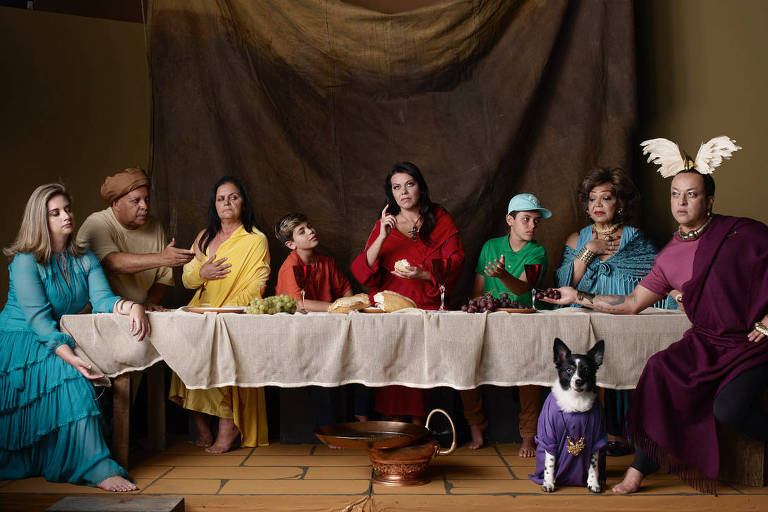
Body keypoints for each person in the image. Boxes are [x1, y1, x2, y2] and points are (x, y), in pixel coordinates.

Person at [543, 136, 768, 494]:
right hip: (707, 343)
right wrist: (578, 295)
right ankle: (639, 469)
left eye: (691, 194)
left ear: (709, 200)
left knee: (730, 410)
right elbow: (632, 302)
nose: (681, 201)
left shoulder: (744, 233)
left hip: (751, 343)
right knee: (659, 370)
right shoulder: (668, 257)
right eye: (675, 193)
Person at [0, 183, 150, 492]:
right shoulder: (26, 261)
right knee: (71, 375)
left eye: (67, 209)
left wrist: (132, 305)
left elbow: (103, 300)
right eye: (55, 213)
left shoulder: (84, 257)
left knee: (74, 369)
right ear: (40, 220)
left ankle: (79, 459)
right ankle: (96, 469)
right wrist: (72, 359)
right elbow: (40, 324)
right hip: (21, 340)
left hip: (55, 334)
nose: (66, 216)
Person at [553, 167, 676, 456]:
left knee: (622, 369)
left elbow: (658, 280)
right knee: (585, 372)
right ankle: (581, 434)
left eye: (605, 198)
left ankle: (618, 433)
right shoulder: (576, 239)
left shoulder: (636, 240)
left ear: (620, 203)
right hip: (584, 319)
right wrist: (589, 250)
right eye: (592, 199)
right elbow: (562, 285)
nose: (597, 205)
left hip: (623, 317)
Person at [351, 162, 465, 424]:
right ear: (391, 193)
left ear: (420, 187)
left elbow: (457, 261)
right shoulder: (385, 223)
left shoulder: (440, 218)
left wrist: (424, 274)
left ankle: (419, 428)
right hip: (391, 308)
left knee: (421, 363)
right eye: (396, 187)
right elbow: (364, 271)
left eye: (409, 184)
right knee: (394, 362)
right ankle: (396, 428)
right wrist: (381, 236)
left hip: (428, 305)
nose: (403, 192)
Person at [168, 176, 270, 453]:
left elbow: (256, 285)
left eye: (233, 197)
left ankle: (229, 424)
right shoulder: (204, 236)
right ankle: (201, 424)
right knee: (185, 356)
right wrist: (202, 273)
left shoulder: (254, 239)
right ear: (214, 205)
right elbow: (188, 279)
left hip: (231, 314)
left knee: (221, 359)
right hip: (200, 310)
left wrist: (224, 311)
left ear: (243, 202)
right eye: (221, 198)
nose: (227, 203)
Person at [461, 193, 551, 455]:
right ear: (510, 220)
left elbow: (524, 287)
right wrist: (480, 306)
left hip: (523, 320)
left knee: (530, 371)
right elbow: (478, 291)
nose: (532, 226)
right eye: (526, 219)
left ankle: (527, 436)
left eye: (536, 221)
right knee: (464, 364)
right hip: (490, 320)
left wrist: (503, 275)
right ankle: (476, 426)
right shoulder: (491, 246)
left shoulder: (537, 251)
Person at [275, 213, 358, 426]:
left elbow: (346, 289)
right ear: (291, 244)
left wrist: (349, 306)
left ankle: (358, 419)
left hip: (330, 331)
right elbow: (299, 305)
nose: (311, 231)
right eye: (302, 231)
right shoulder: (289, 267)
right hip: (301, 335)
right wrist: (337, 308)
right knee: (321, 376)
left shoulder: (326, 262)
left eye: (309, 226)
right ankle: (328, 428)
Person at [77, 167, 194, 310]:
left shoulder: (155, 226)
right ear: (116, 203)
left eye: (147, 199)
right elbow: (113, 263)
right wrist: (163, 258)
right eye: (135, 201)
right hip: (101, 311)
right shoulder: (97, 223)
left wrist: (150, 302)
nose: (145, 206)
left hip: (137, 312)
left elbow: (163, 277)